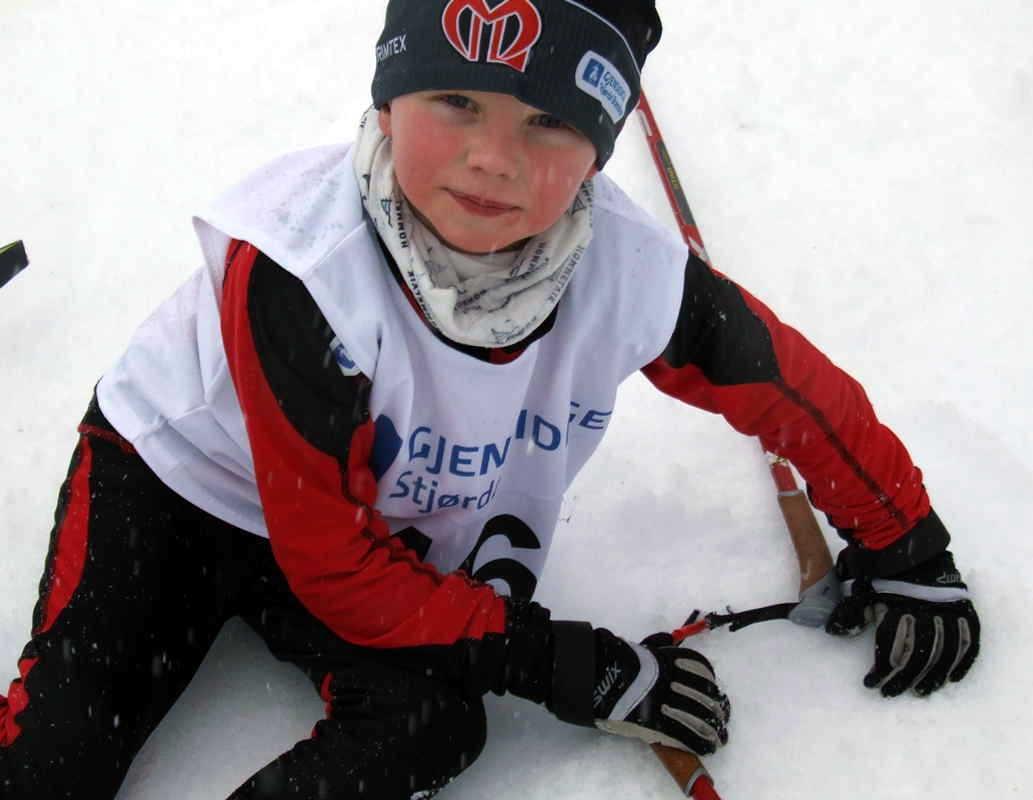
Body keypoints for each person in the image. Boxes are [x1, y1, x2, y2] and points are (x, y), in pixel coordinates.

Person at [0, 1, 980, 797]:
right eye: (455, 101)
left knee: (433, 722)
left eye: (550, 120)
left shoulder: (624, 271)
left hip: (369, 523)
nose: (493, 157)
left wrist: (906, 542)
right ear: (386, 102)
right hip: (177, 482)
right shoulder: (299, 268)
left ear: (599, 149)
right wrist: (564, 659)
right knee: (65, 737)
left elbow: (790, 390)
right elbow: (335, 570)